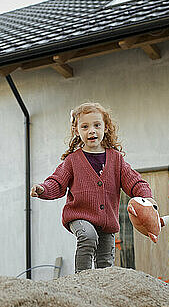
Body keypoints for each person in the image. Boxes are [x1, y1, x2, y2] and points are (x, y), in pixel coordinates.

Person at [30, 102, 156, 273]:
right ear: (77, 130)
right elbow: (57, 182)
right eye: (85, 126)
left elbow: (134, 181)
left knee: (105, 263)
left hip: (107, 222)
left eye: (97, 125)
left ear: (106, 128)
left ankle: (102, 292)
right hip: (80, 216)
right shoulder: (72, 161)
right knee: (88, 237)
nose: (91, 131)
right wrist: (43, 189)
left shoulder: (116, 159)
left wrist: (146, 196)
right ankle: (82, 278)